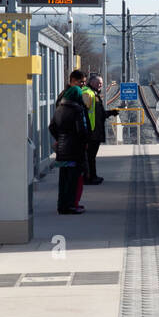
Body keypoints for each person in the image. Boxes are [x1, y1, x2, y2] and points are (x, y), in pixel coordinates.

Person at [51, 71, 90, 214]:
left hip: (62, 147)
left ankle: (62, 205)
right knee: (74, 178)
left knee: (64, 178)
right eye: (81, 83)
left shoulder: (60, 107)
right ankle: (70, 206)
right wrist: (85, 141)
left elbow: (52, 126)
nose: (83, 85)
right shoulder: (77, 109)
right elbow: (81, 130)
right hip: (75, 149)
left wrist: (60, 137)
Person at [84, 73, 120, 184]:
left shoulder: (94, 94)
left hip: (95, 131)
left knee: (91, 156)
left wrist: (110, 113)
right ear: (91, 82)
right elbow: (84, 113)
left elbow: (99, 114)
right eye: (98, 83)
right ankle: (89, 178)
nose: (100, 85)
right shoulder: (88, 94)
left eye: (101, 83)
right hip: (90, 131)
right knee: (89, 156)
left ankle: (93, 176)